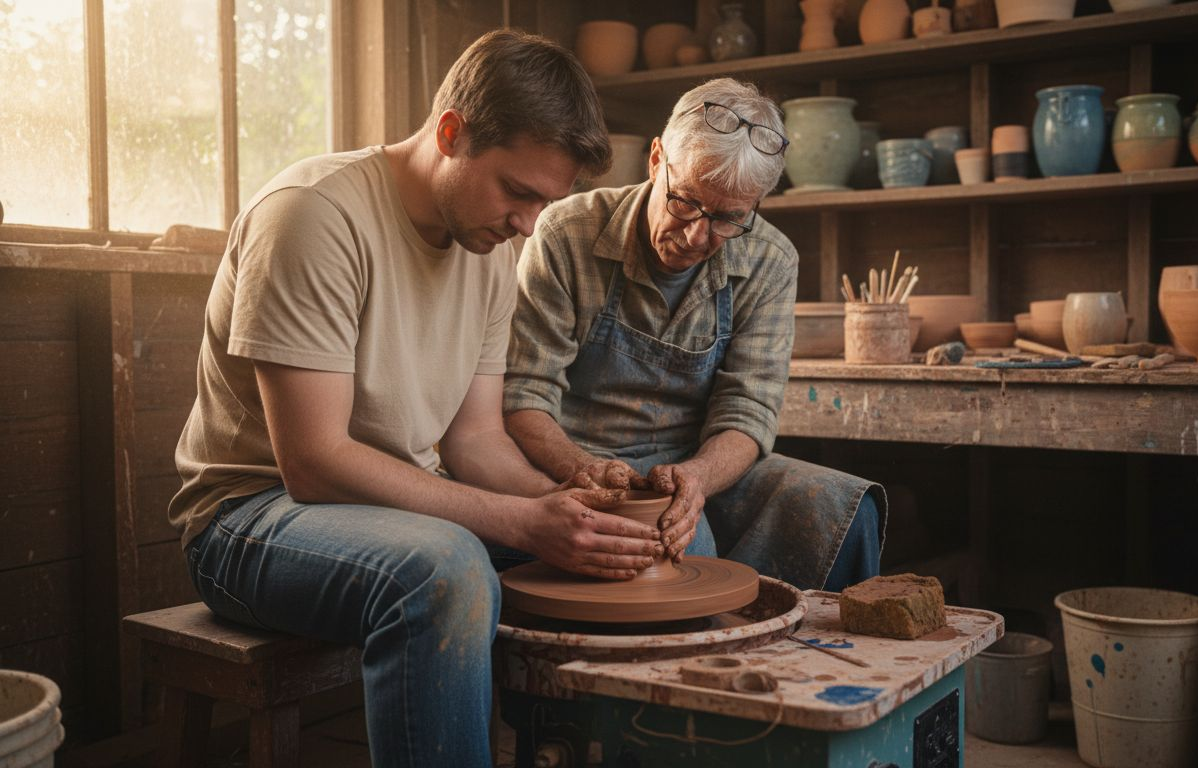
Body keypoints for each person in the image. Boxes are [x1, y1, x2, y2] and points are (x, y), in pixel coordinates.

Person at [167, 30, 669, 768]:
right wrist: (524, 521)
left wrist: (566, 503)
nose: (528, 224)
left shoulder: (489, 249)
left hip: (400, 508)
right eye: (518, 191)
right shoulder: (312, 214)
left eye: (546, 202)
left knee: (642, 544)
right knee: (444, 572)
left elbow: (475, 442)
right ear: (451, 132)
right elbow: (314, 462)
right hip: (250, 518)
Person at [504, 78, 886, 592]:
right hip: (574, 457)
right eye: (685, 202)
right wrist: (584, 468)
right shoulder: (566, 233)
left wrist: (697, 479)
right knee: (680, 550)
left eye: (728, 219)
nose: (696, 236)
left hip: (697, 461)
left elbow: (748, 410)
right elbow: (525, 394)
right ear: (655, 160)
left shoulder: (770, 259)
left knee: (841, 509)